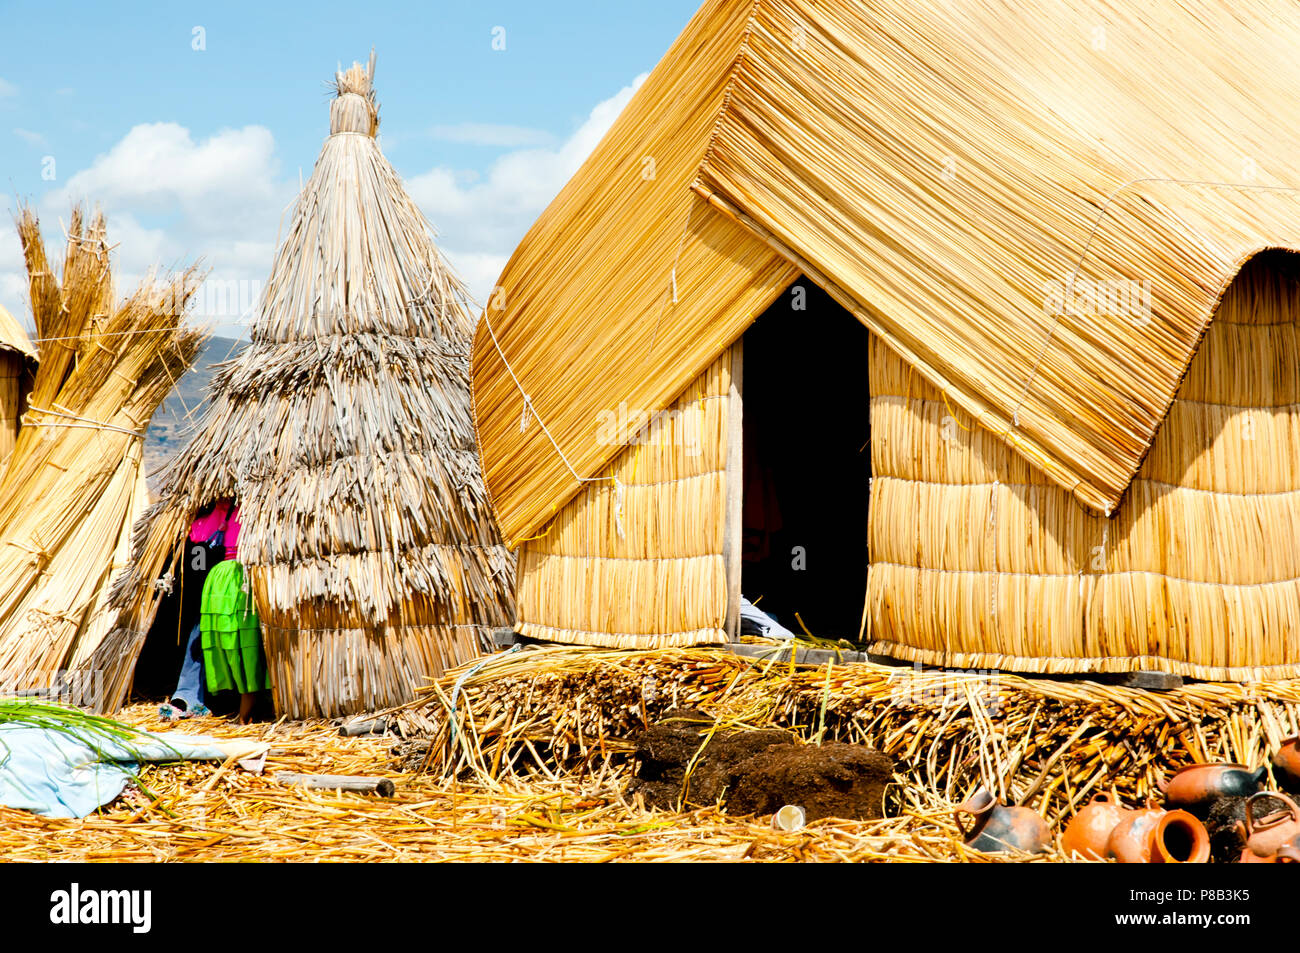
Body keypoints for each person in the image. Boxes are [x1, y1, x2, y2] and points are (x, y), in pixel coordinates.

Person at [199, 503, 270, 724]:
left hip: (241, 578)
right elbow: (199, 534)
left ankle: (246, 713)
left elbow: (198, 533)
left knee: (246, 644)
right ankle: (242, 710)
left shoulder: (260, 503)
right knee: (234, 644)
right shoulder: (226, 509)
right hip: (228, 578)